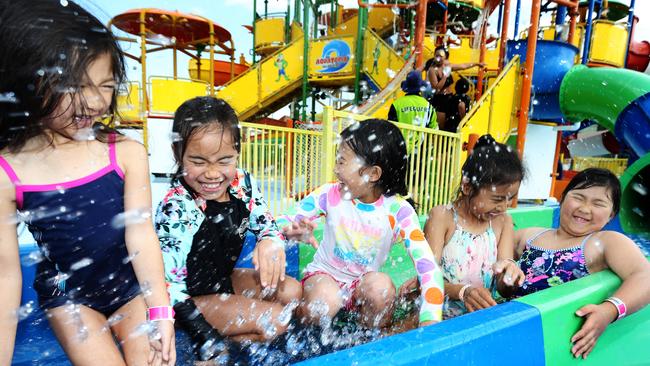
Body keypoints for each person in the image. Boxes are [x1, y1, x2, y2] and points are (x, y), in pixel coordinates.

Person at [0, 1, 175, 365]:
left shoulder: (125, 152)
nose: (95, 101)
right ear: (28, 82)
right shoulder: (8, 172)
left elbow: (141, 234)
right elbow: (4, 275)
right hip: (70, 297)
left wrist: (161, 311)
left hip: (129, 286)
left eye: (106, 85)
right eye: (76, 86)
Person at [155, 96, 302, 359]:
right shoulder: (178, 207)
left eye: (224, 161)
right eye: (198, 162)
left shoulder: (242, 183)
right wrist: (203, 334)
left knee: (292, 292)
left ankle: (230, 327)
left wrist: (270, 240)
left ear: (237, 152)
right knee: (276, 321)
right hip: (188, 300)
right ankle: (212, 337)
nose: (212, 174)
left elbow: (266, 222)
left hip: (223, 282)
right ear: (179, 154)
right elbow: (167, 284)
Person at [278, 119, 444, 329]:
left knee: (382, 289)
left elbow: (428, 267)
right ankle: (304, 329)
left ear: (373, 174)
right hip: (324, 276)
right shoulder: (329, 194)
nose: (336, 169)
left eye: (342, 161)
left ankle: (372, 343)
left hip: (361, 285)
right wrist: (290, 230)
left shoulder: (398, 210)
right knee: (325, 300)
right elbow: (282, 220)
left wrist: (430, 322)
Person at [514, 168, 650, 359]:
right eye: (578, 197)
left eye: (598, 203)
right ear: (562, 198)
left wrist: (609, 310)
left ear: (612, 215)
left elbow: (644, 276)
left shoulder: (604, 242)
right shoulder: (529, 235)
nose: (585, 209)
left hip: (552, 343)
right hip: (511, 327)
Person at [423, 135, 526, 318]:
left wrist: (510, 277)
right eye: (497, 199)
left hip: (480, 318)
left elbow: (503, 290)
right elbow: (425, 279)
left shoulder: (502, 222)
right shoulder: (443, 218)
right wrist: (462, 292)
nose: (503, 207)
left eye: (510, 198)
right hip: (439, 317)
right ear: (467, 187)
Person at [388, 71, 437, 155]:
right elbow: (434, 130)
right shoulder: (428, 106)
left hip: (400, 149)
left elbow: (390, 128)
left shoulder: (396, 104)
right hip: (420, 151)